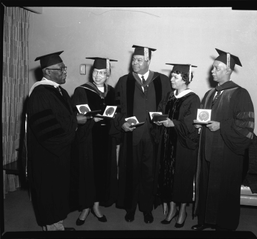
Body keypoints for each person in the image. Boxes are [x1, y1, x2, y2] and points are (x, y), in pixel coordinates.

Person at [192, 48, 255, 231]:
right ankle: (206, 221)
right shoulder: (210, 94)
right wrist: (199, 126)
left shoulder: (240, 94)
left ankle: (224, 225)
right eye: (213, 68)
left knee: (224, 188)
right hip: (207, 149)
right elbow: (205, 119)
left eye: (217, 68)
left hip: (227, 151)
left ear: (228, 70)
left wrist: (222, 126)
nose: (212, 72)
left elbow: (246, 126)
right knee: (206, 185)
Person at [27, 51, 86, 231]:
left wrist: (76, 117)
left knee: (58, 192)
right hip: (48, 156)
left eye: (64, 68)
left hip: (60, 155)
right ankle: (52, 228)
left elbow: (63, 117)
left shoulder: (59, 91)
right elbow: (47, 131)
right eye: (60, 69)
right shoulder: (39, 94)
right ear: (47, 72)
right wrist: (75, 121)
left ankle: (57, 224)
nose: (65, 72)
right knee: (50, 193)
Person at [114, 45, 172, 224]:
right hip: (132, 136)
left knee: (149, 173)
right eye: (133, 60)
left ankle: (147, 208)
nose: (134, 63)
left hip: (153, 136)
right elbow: (115, 108)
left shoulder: (162, 80)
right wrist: (121, 123)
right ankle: (130, 208)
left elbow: (168, 105)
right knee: (130, 172)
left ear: (148, 61)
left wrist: (163, 120)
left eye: (139, 60)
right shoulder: (124, 81)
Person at [71, 57, 119, 225]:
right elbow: (77, 117)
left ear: (108, 75)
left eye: (102, 73)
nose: (98, 76)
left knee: (102, 172)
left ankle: (96, 206)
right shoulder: (81, 91)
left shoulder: (111, 91)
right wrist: (93, 120)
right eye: (96, 72)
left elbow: (117, 112)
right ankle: (85, 207)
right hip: (88, 139)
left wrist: (114, 118)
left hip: (106, 139)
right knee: (87, 172)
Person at [155, 63, 200, 228]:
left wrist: (172, 123)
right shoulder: (169, 95)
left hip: (183, 146)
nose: (171, 79)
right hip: (168, 143)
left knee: (181, 179)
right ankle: (172, 209)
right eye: (172, 75)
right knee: (168, 177)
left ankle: (182, 211)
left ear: (185, 79)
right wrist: (158, 119)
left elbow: (190, 123)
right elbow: (160, 111)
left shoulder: (193, 98)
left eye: (175, 77)